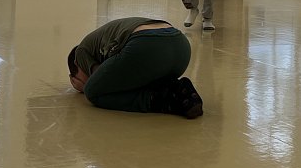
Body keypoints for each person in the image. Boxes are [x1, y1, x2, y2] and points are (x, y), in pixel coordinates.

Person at [67, 17, 203, 118]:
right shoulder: (100, 43)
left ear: (74, 74)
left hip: (145, 44)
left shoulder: (81, 52)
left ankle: (158, 100)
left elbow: (101, 80)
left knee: (92, 91)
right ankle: (178, 90)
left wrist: (83, 86)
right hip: (181, 47)